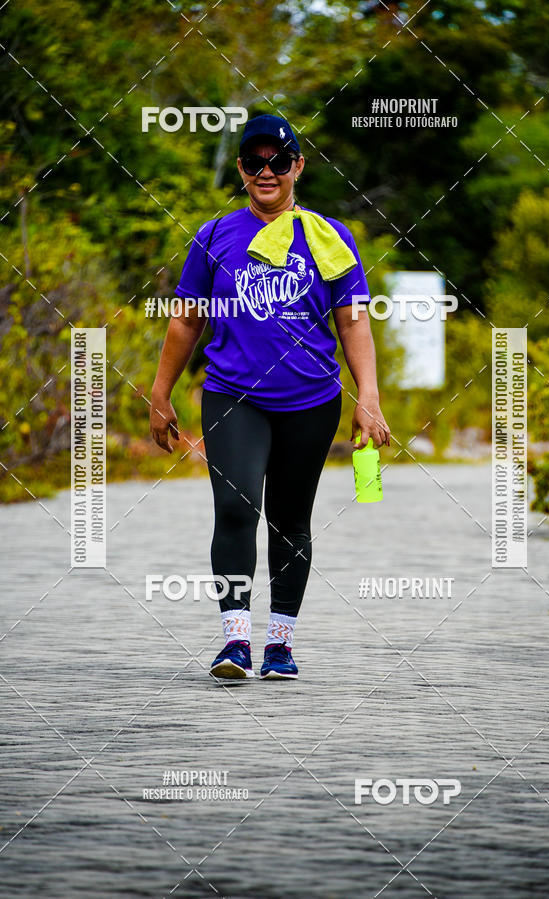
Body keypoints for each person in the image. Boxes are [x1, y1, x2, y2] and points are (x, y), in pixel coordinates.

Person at [150, 113, 390, 680]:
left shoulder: (329, 237)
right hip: (233, 395)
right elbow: (186, 322)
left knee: (289, 519)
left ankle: (280, 644)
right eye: (254, 162)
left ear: (297, 167)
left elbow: (353, 322)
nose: (266, 172)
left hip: (310, 400)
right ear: (240, 169)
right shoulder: (215, 237)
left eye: (278, 161)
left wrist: (369, 398)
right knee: (236, 509)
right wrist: (159, 394)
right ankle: (235, 642)